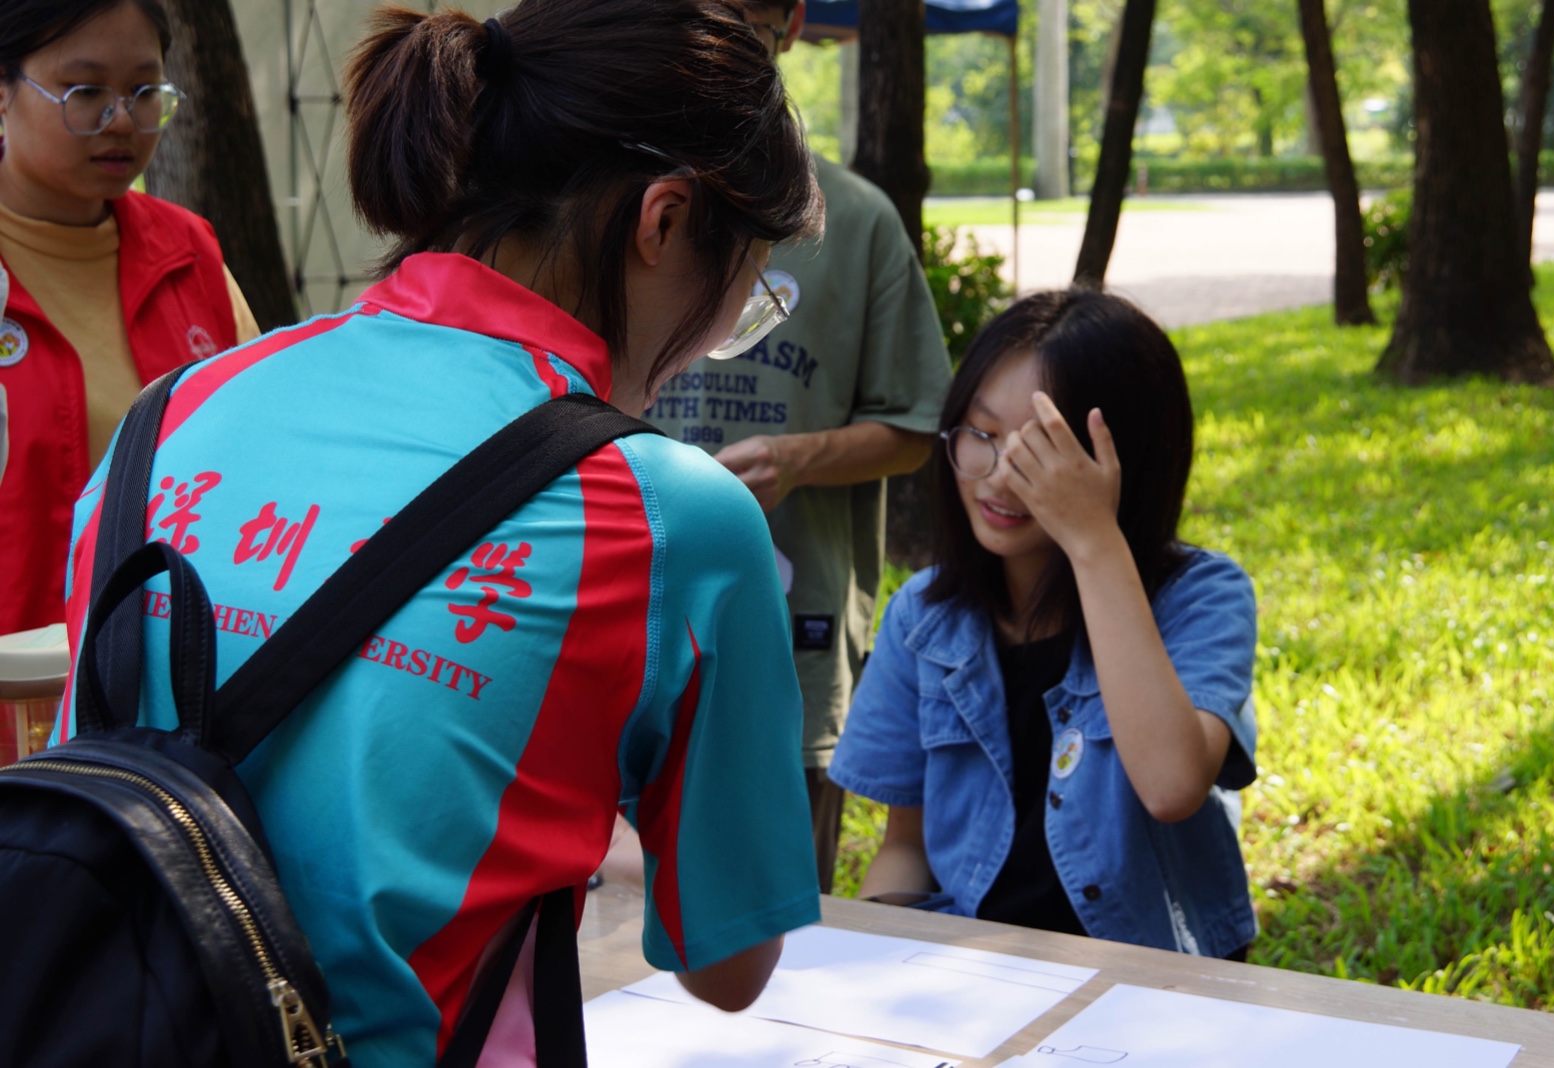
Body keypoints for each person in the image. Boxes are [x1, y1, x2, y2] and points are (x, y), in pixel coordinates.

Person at [59, 1, 823, 1063]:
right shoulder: (664, 513)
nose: (710, 345)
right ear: (662, 221)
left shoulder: (171, 414)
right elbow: (730, 968)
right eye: (743, 298)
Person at [828, 290, 1260, 959]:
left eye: (1040, 454)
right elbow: (905, 849)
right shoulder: (922, 616)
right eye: (981, 436)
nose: (998, 479)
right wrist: (882, 964)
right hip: (977, 975)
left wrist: (1093, 540)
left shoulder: (1202, 596)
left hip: (1151, 978)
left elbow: (1173, 786)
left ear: (1124, 461)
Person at [641, 0, 951, 892]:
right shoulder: (616, 210)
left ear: (791, 21)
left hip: (794, 624)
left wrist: (797, 459)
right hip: (628, 610)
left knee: (775, 912)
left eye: (745, 8)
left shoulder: (853, 220)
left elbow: (914, 428)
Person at [0, 0, 260, 639]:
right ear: (2, 92)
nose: (121, 119)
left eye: (144, 90)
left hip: (165, 693)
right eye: (85, 91)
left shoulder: (190, 255)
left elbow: (254, 464)